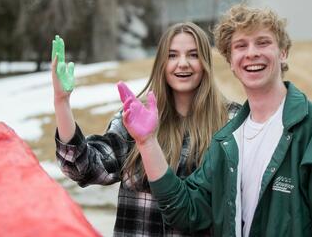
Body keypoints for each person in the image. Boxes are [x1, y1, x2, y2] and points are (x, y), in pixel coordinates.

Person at [117, 4, 312, 237]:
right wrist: (147, 142)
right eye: (241, 46)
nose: (251, 53)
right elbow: (186, 210)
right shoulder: (227, 141)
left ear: (283, 52)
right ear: (230, 61)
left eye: (263, 42)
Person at [51, 22, 241, 236]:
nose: (183, 63)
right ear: (161, 63)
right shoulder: (136, 118)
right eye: (172, 55)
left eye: (193, 55)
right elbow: (84, 168)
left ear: (206, 61)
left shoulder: (231, 120)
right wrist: (62, 102)